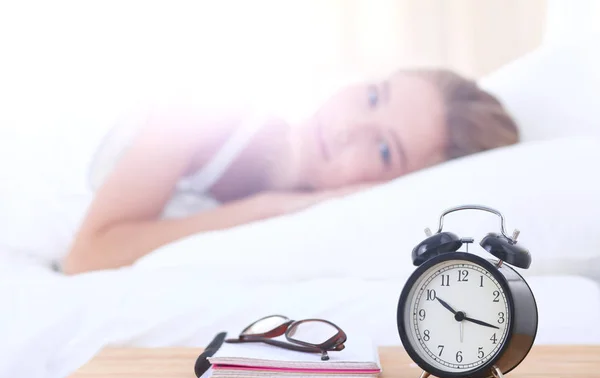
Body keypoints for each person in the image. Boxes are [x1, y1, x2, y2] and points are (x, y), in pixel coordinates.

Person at [61, 68, 519, 275]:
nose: (347, 128)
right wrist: (272, 208)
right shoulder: (207, 108)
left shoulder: (309, 236)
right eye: (374, 96)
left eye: (383, 149)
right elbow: (87, 259)